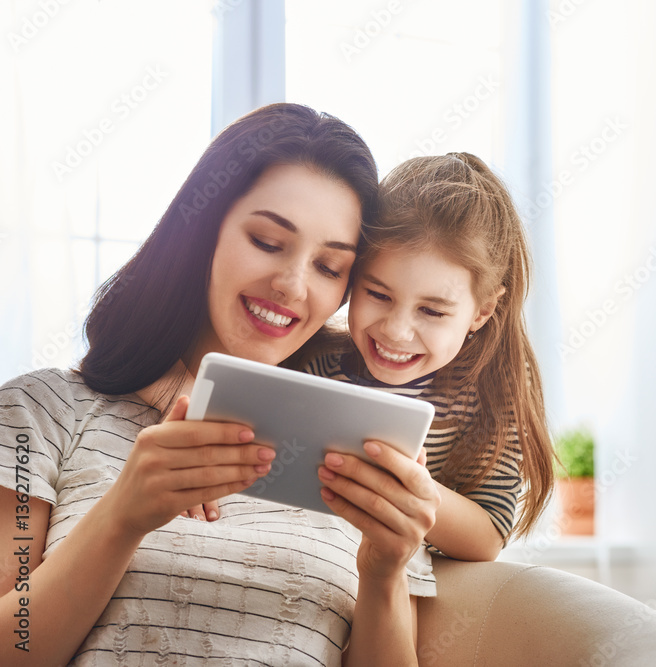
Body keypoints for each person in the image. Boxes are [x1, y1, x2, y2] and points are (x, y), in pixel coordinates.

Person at [0, 102, 439, 666]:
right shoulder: (39, 413)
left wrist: (383, 575)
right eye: (267, 241)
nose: (291, 285)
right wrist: (121, 517)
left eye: (330, 268)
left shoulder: (371, 458)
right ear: (202, 230)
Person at [296, 152, 555, 562]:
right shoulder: (315, 363)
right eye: (377, 294)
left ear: (482, 312)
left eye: (432, 311)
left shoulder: (489, 394)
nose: (396, 331)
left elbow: (488, 537)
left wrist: (408, 490)